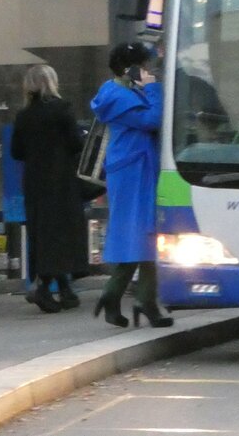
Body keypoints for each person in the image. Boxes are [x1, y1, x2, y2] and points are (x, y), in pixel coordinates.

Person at [89, 41, 172, 328]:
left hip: (135, 168)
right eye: (146, 64)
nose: (150, 70)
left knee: (146, 233)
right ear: (131, 68)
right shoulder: (120, 97)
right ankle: (139, 300)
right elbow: (152, 119)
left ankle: (123, 297)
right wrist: (153, 88)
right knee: (144, 233)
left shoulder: (119, 92)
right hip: (133, 170)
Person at [10, 64, 88, 314]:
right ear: (52, 82)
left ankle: (64, 289)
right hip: (61, 181)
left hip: (35, 183)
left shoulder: (24, 115)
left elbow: (16, 151)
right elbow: (76, 143)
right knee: (63, 232)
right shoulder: (62, 109)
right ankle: (45, 288)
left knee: (42, 234)